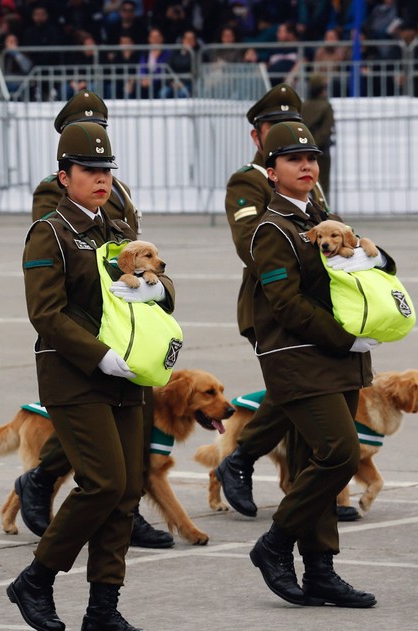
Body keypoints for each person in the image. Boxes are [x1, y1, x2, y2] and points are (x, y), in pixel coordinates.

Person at [9, 121, 173, 631]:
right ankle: (35, 579)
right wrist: (97, 354)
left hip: (126, 377)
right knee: (102, 483)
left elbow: (158, 275)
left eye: (106, 170)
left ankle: (103, 607)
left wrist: (158, 290)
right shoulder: (50, 232)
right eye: (89, 170)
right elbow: (46, 312)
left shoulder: (115, 231)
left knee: (126, 492)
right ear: (65, 176)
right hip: (75, 374)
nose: (101, 179)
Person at [247, 121, 388, 608]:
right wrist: (344, 337)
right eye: (293, 159)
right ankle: (275, 544)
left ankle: (322, 570)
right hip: (299, 361)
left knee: (314, 461)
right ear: (271, 172)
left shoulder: (326, 217)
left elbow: (374, 266)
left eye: (312, 158)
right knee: (341, 454)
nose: (307, 165)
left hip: (336, 361)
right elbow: (284, 303)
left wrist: (376, 257)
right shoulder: (272, 229)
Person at [214, 83, 356, 521]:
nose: (292, 143)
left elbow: (330, 233)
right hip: (273, 303)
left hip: (316, 302)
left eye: (298, 134)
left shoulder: (308, 182)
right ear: (258, 137)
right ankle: (243, 459)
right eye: (277, 131)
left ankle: (306, 490)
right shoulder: (250, 180)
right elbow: (254, 247)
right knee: (295, 391)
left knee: (304, 397)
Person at [301, 74, 334, 193]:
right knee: (322, 187)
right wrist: (315, 145)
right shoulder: (326, 107)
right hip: (322, 152)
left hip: (304, 151)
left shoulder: (302, 107)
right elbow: (326, 130)